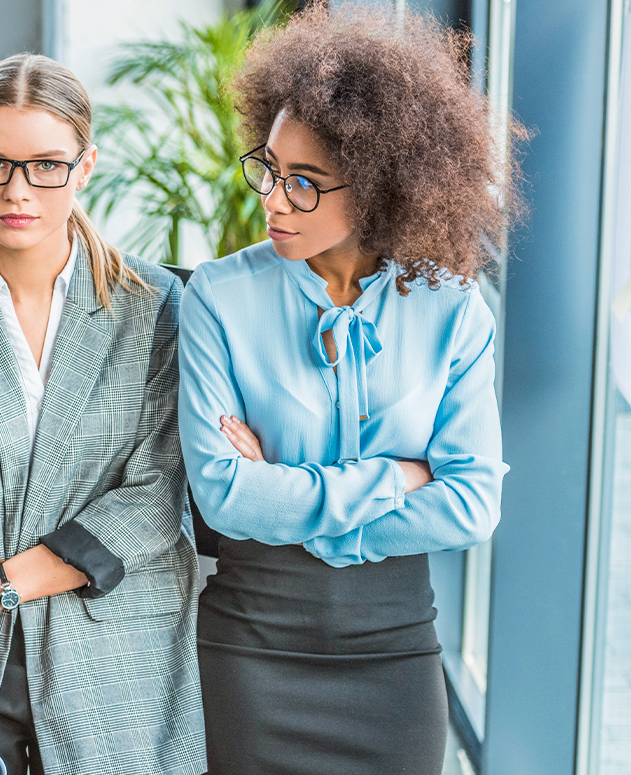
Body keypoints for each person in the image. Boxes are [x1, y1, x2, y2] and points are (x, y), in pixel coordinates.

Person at [178, 7, 518, 774]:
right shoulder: (218, 297)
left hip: (392, 654)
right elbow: (226, 498)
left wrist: (294, 498)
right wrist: (395, 478)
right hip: (249, 649)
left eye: (304, 184)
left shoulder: (453, 309)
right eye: (269, 168)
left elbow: (473, 505)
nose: (272, 200)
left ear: (376, 184)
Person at [0, 54, 204, 775]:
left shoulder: (154, 307)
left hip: (115, 648)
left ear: (85, 167)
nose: (17, 189)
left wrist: (0, 584)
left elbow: (154, 500)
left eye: (46, 165)